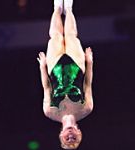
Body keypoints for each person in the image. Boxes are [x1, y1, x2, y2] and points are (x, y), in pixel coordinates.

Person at [37, 0, 94, 149]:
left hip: (54, 69)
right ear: (79, 133)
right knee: (71, 36)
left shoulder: (49, 112)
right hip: (77, 67)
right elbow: (87, 84)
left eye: (67, 140)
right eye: (73, 140)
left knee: (55, 36)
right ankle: (68, 8)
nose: (70, 137)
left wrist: (42, 67)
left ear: (60, 135)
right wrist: (89, 62)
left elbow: (47, 88)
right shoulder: (86, 109)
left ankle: (57, 7)